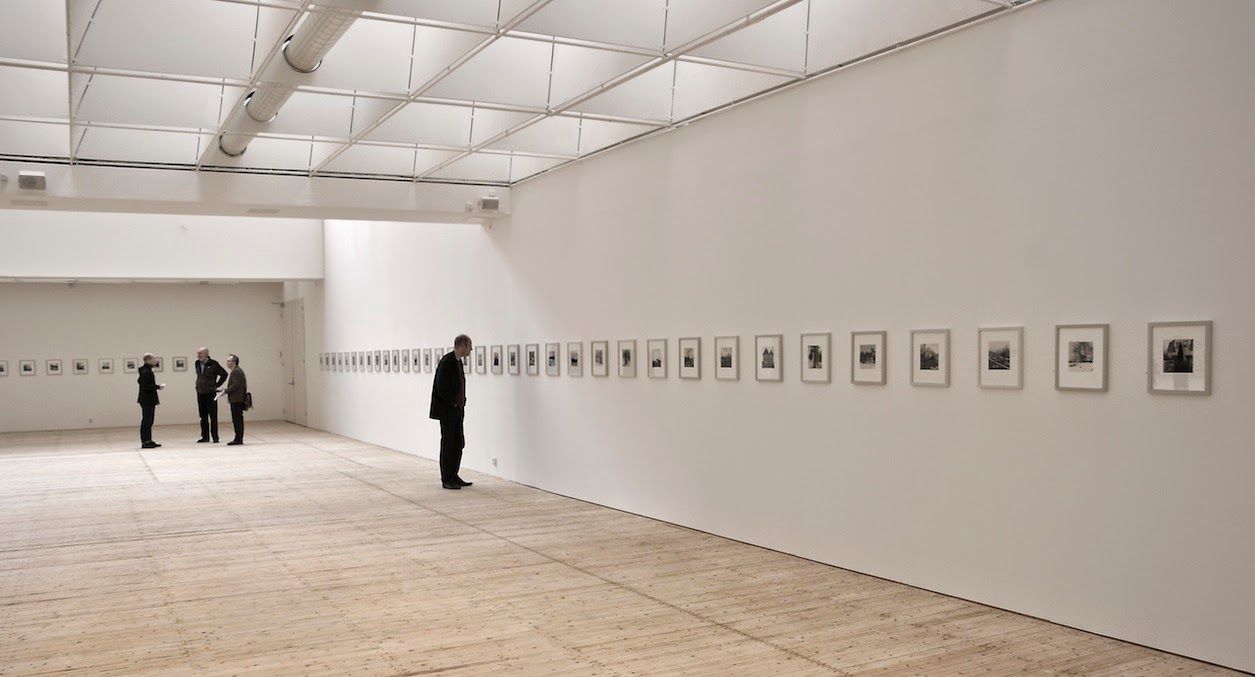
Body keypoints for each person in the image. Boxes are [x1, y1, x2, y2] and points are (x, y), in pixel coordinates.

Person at [430, 335, 473, 490]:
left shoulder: (457, 361)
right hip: (448, 411)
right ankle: (446, 478)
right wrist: (453, 403)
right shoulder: (447, 361)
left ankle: (454, 475)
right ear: (462, 345)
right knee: (448, 444)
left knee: (458, 442)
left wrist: (461, 403)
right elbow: (441, 387)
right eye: (469, 346)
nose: (471, 349)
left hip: (458, 410)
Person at [194, 347, 228, 443]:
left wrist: (216, 385)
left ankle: (215, 437)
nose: (198, 355)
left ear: (206, 354)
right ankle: (205, 437)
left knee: (213, 416)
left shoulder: (214, 364)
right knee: (203, 416)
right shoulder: (197, 363)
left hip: (210, 393)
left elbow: (224, 374)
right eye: (198, 353)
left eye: (200, 353)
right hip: (200, 392)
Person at [137, 353, 166, 449]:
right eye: (154, 359)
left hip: (147, 399)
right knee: (147, 420)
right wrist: (158, 387)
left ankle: (148, 440)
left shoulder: (145, 370)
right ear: (148, 360)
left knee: (149, 420)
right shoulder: (146, 371)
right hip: (147, 399)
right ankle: (145, 441)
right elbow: (146, 386)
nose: (156, 361)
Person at [219, 354, 248, 446]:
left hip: (236, 399)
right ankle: (238, 438)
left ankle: (238, 438)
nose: (227, 363)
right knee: (237, 419)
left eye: (229, 361)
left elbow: (236, 385)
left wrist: (226, 391)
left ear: (234, 362)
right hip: (237, 398)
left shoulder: (236, 371)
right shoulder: (237, 371)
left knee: (237, 419)